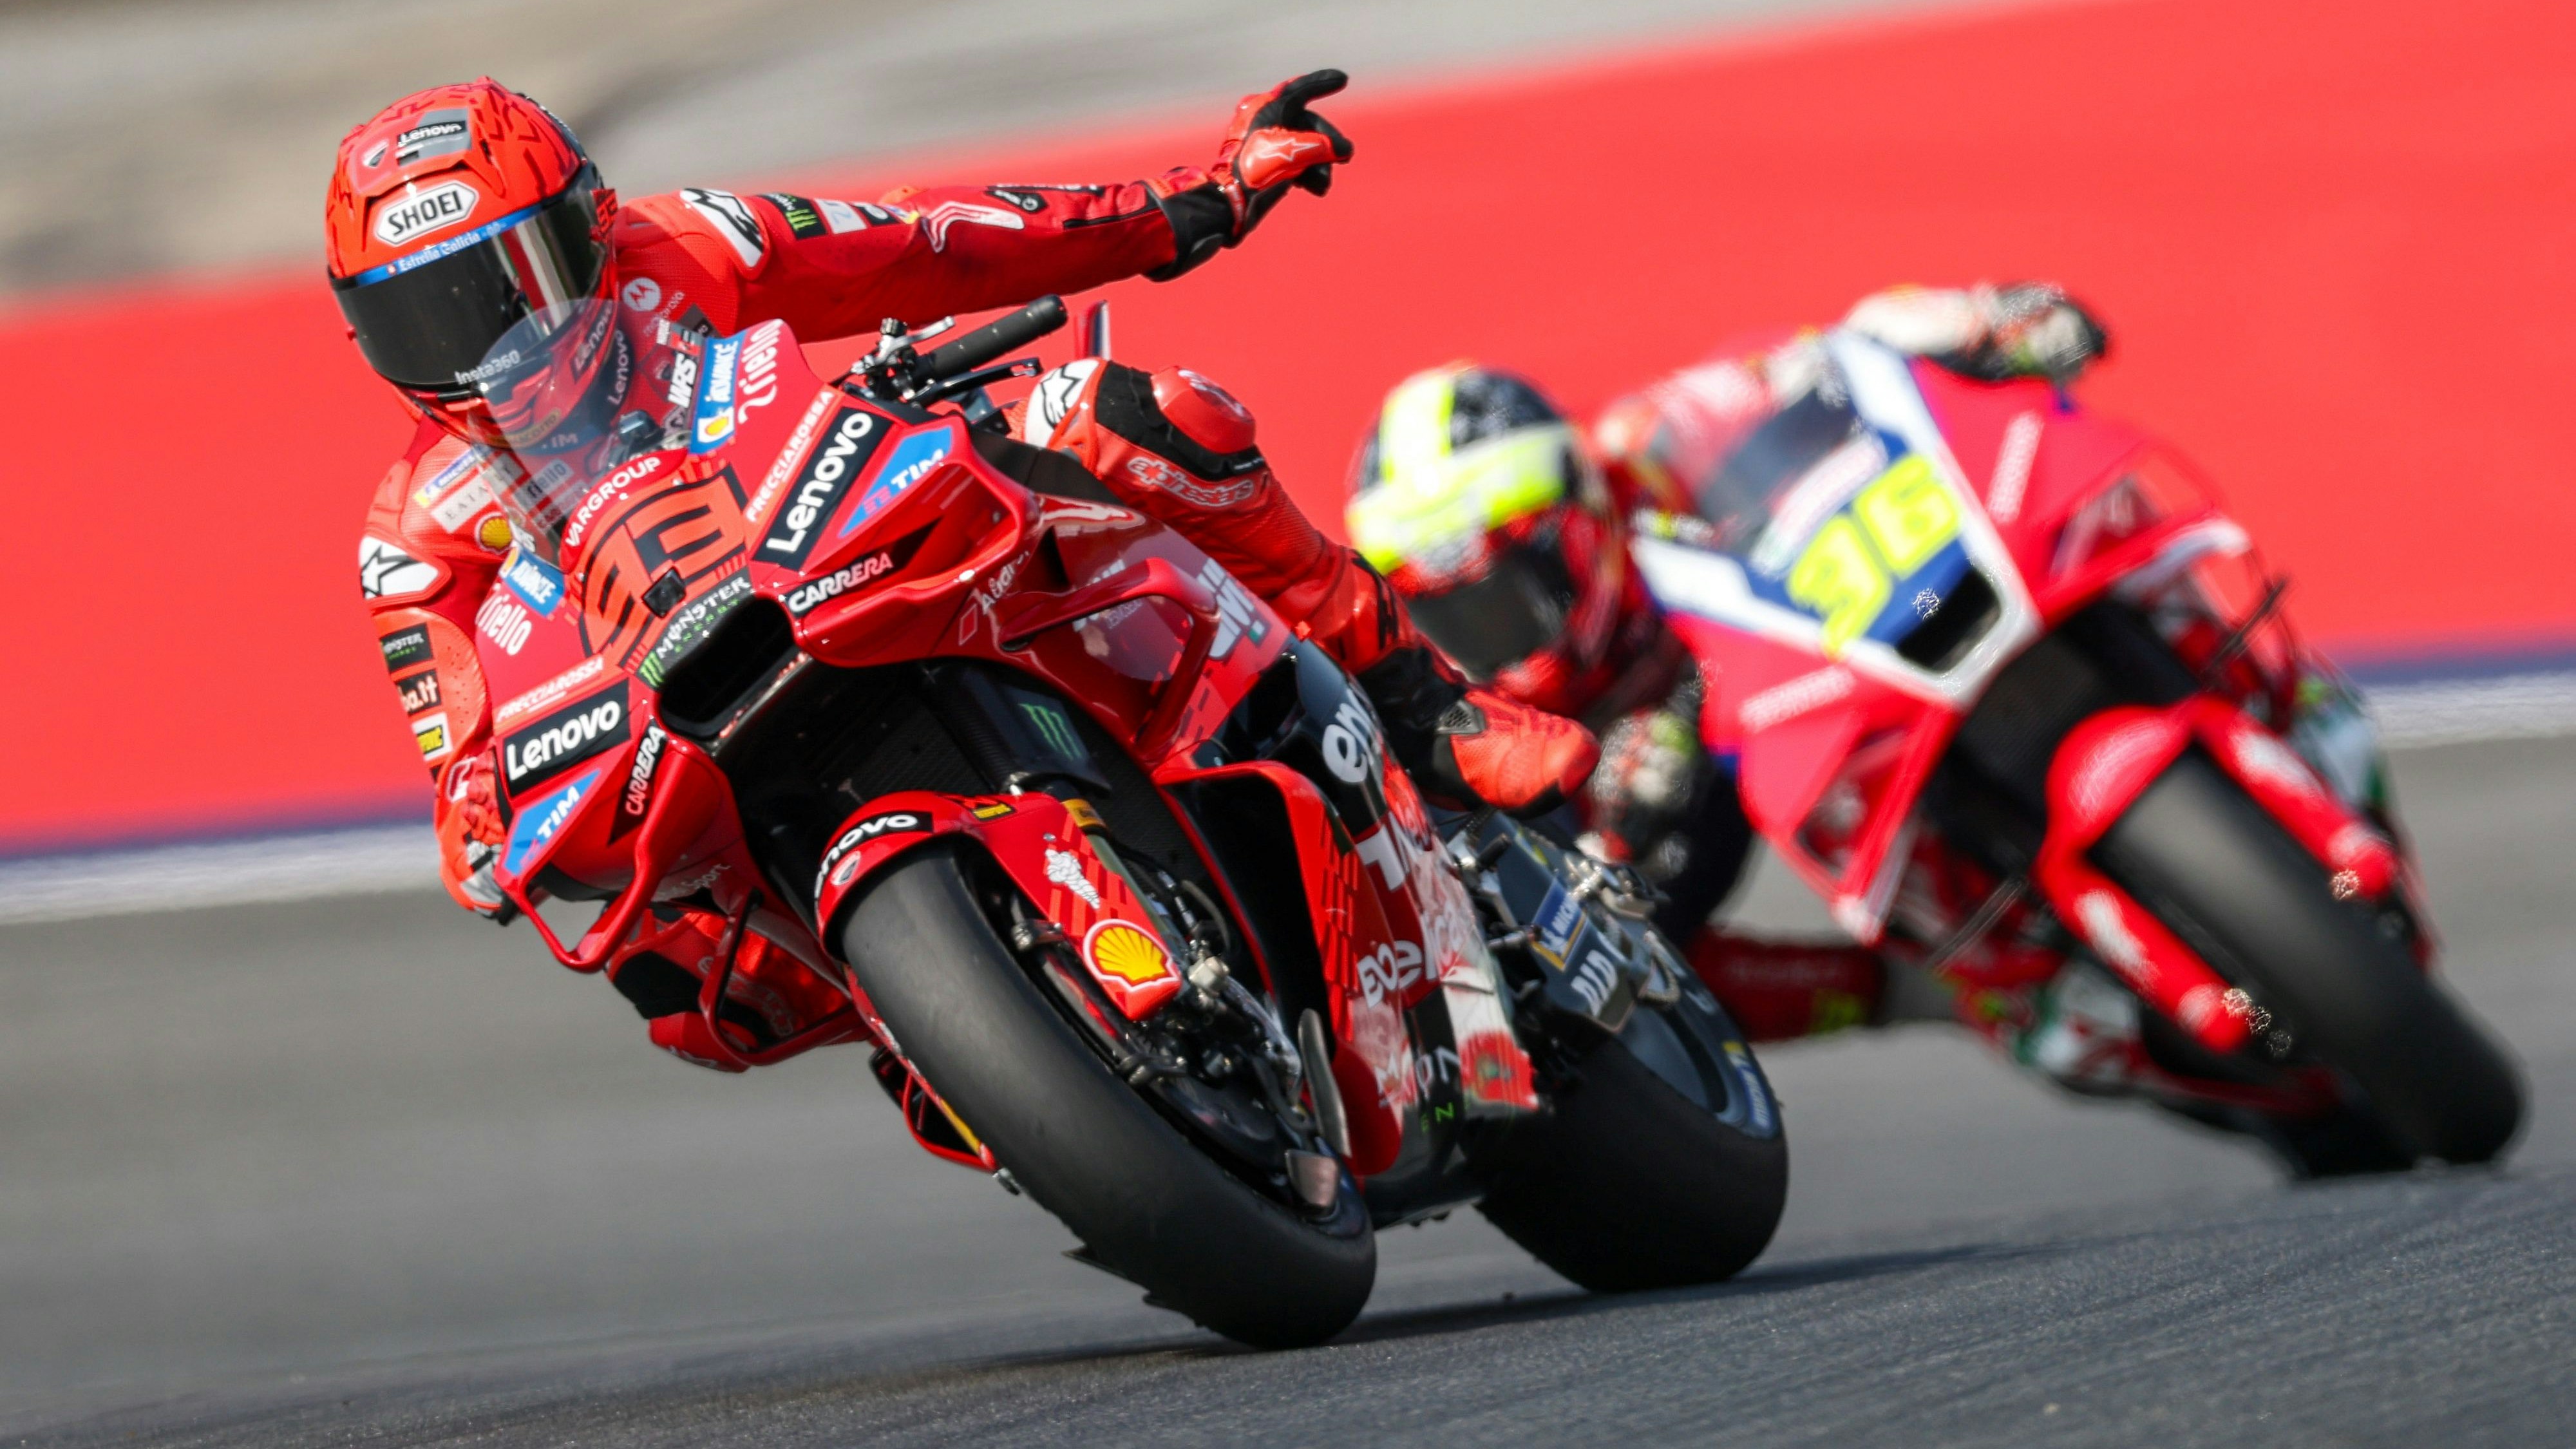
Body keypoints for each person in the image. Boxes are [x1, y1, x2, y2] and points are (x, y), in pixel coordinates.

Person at [335, 75, 1596, 932]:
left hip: (848, 532)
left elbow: (940, 244)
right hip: (690, 722)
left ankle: (1418, 704)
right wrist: (477, 815)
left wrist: (1194, 203)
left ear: (591, 225)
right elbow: (460, 755)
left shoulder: (693, 246)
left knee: (1140, 415)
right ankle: (943, 1018)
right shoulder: (419, 530)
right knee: (659, 956)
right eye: (432, 313)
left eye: (515, 282)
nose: (494, 338)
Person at [1344, 283, 2108, 1042]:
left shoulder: (1648, 440)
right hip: (1714, 782)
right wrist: (1607, 843)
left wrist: (1982, 322)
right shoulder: (1483, 715)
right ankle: (1938, 990)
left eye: (1510, 591)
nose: (1494, 634)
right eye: (1451, 611)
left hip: (1826, 655)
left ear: (1573, 519)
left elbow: (1833, 352)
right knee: (1601, 963)